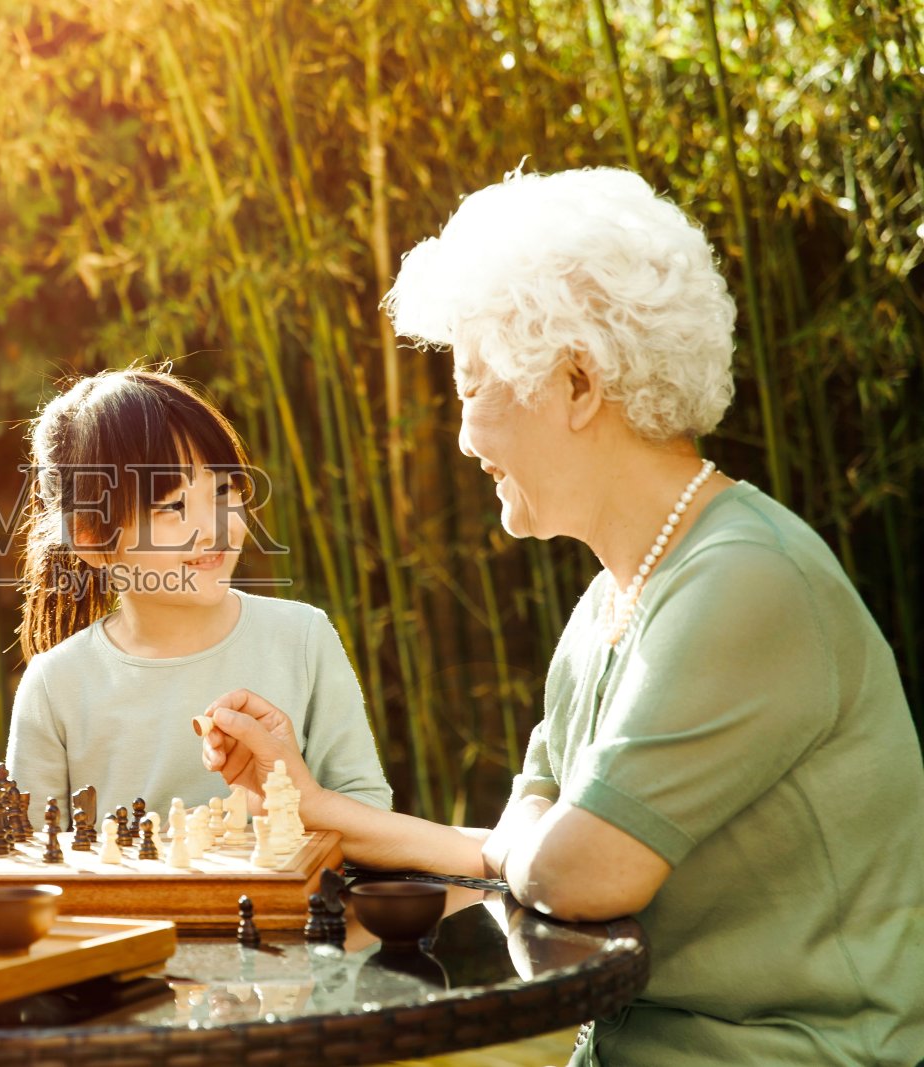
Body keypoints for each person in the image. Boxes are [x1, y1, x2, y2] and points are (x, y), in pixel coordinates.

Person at [200, 169, 924, 1064]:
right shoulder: (611, 598)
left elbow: (575, 871)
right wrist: (309, 804)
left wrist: (537, 836)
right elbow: (511, 847)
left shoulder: (746, 581)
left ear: (578, 381)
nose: (462, 436)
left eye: (472, 385)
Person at [4, 368, 392, 824]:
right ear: (91, 537)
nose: (214, 529)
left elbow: (367, 806)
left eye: (224, 490)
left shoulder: (302, 638)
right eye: (172, 506)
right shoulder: (57, 684)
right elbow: (29, 854)